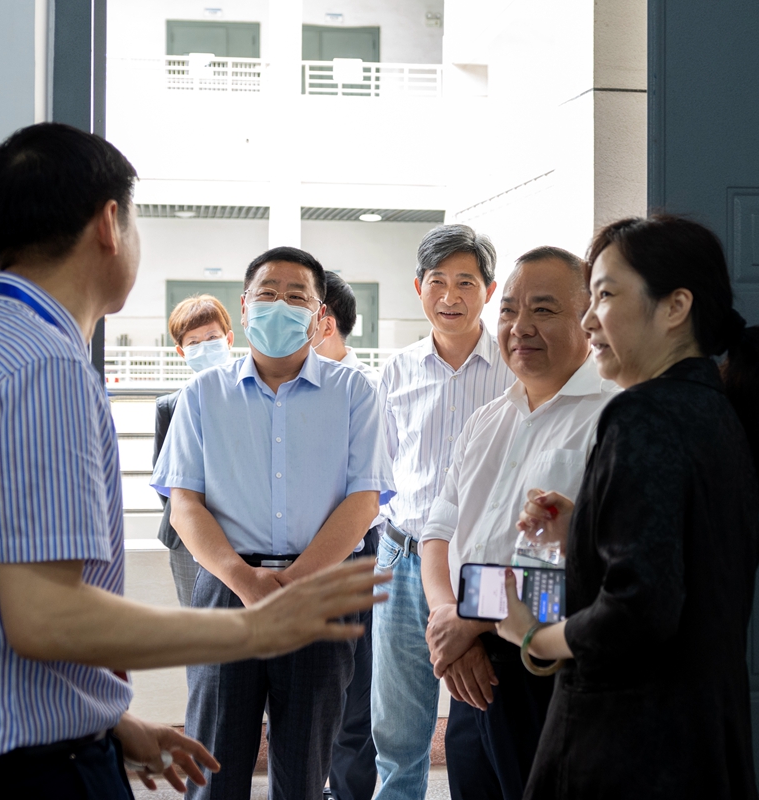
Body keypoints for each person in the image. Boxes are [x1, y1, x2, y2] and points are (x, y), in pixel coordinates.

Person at [0, 122, 388, 800]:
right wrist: (250, 625)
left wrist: (113, 721)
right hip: (30, 775)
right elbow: (46, 616)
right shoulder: (44, 369)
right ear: (109, 224)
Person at [495, 214, 759, 798]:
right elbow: (685, 564)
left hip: (625, 753)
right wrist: (585, 528)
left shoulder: (641, 414)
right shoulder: (714, 409)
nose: (589, 320)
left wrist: (535, 637)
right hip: (702, 743)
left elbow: (640, 608)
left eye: (606, 295)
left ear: (675, 307)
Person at [152, 247, 396, 800]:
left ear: (319, 314)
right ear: (244, 306)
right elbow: (184, 504)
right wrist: (246, 582)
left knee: (305, 769)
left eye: (296, 297)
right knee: (214, 766)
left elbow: (364, 500)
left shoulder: (355, 392)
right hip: (227, 589)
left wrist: (297, 582)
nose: (280, 306)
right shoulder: (202, 395)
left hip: (320, 593)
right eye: (268, 293)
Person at [419, 247, 618, 800]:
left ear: (587, 317)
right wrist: (447, 621)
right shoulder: (488, 418)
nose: (519, 327)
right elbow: (437, 534)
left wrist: (471, 618)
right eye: (507, 310)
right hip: (466, 664)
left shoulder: (611, 418)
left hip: (544, 663)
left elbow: (588, 565)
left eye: (544, 311)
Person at [371, 224, 514, 800]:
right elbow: (378, 476)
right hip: (402, 560)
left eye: (465, 282)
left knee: (487, 718)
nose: (450, 297)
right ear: (418, 288)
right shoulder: (396, 371)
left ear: (489, 289)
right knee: (398, 728)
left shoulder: (515, 366)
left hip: (487, 567)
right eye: (438, 282)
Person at [311, 271, 381, 800]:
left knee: (356, 695)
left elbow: (380, 488)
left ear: (324, 320)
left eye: (300, 304)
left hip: (360, 551)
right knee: (303, 694)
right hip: (290, 560)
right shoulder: (288, 386)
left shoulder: (366, 391)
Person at [156, 294, 235, 607]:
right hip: (187, 540)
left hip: (244, 536)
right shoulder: (169, 406)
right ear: (181, 351)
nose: (205, 346)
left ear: (229, 339)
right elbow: (164, 482)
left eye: (212, 337)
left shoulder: (257, 395)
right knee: (199, 630)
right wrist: (194, 519)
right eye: (194, 341)